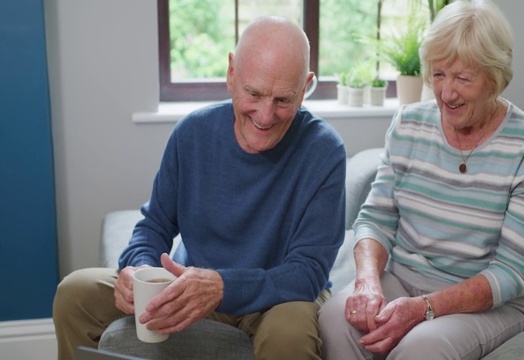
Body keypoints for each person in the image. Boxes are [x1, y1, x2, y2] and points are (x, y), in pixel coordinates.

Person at [53, 16, 346, 360]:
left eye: (283, 100)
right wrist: (139, 271)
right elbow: (154, 226)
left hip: (277, 298)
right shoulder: (193, 133)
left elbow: (307, 273)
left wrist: (221, 287)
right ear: (231, 73)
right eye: (253, 93)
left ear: (306, 86)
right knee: (74, 292)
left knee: (289, 335)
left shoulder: (325, 151)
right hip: (189, 287)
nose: (265, 116)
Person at [318, 1, 524, 359]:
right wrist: (368, 281)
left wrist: (423, 308)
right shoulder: (408, 124)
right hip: (403, 279)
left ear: (495, 77)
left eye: (463, 78)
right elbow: (375, 220)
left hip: (488, 302)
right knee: (335, 318)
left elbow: (513, 271)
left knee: (422, 347)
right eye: (439, 74)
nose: (446, 93)